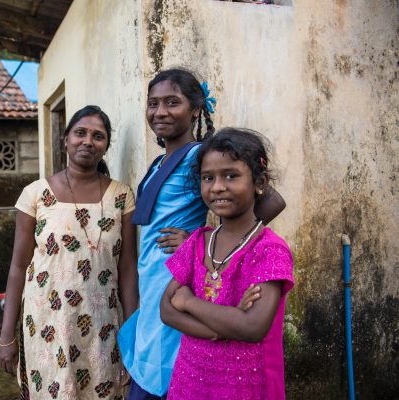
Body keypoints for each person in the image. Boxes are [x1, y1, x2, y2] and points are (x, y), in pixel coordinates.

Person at [117, 68, 286, 399]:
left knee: (175, 366)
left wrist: (208, 239)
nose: (160, 111)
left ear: (196, 109)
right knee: (152, 355)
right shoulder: (157, 163)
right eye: (153, 103)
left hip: (184, 276)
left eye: (172, 102)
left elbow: (272, 201)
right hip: (155, 279)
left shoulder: (200, 155)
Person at [0, 105, 138, 399]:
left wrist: (132, 335)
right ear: (65, 139)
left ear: (106, 146)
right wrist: (6, 335)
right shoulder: (35, 194)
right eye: (80, 133)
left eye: (98, 136)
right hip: (46, 323)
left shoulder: (121, 195)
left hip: (102, 324)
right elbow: (17, 268)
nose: (88, 141)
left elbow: (127, 267)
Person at [161, 127, 294, 399]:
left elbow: (252, 327)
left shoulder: (269, 250)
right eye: (208, 177)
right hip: (190, 381)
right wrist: (225, 323)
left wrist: (189, 303)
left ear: (260, 182)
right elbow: (166, 310)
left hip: (244, 386)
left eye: (231, 176)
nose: (218, 186)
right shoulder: (198, 241)